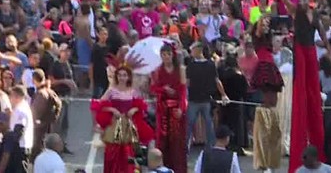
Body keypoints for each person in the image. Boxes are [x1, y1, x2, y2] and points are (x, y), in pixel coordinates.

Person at [282, 0, 326, 173]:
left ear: (309, 0)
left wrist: (329, 46)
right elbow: (287, 3)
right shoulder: (296, 12)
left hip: (310, 50)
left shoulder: (314, 14)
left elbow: (322, 31)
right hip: (300, 49)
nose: (300, 1)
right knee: (302, 83)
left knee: (313, 83)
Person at [91, 63, 154, 173]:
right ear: (116, 76)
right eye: (120, 75)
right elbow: (99, 105)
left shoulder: (133, 91)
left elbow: (141, 106)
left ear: (128, 77)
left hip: (128, 125)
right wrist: (112, 110)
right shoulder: (111, 90)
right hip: (114, 125)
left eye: (124, 75)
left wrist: (134, 110)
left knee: (128, 151)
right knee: (112, 151)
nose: (122, 78)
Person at [249, 16, 285, 171]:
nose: (266, 26)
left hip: (270, 64)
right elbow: (259, 28)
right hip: (264, 65)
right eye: (263, 24)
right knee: (268, 101)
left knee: (274, 101)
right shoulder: (257, 37)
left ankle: (271, 154)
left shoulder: (268, 37)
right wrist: (263, 19)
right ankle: (265, 156)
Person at [150, 44, 188, 173]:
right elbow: (153, 88)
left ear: (173, 55)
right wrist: (163, 89)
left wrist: (181, 109)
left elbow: (183, 91)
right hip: (163, 109)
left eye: (168, 54)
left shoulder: (180, 69)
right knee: (163, 140)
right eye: (164, 55)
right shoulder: (157, 70)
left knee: (177, 142)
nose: (166, 57)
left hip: (176, 109)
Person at [185, 42, 228, 150]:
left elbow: (216, 80)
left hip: (204, 99)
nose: (191, 52)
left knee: (208, 125)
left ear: (199, 50)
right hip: (194, 99)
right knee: (191, 124)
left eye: (193, 49)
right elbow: (187, 83)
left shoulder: (208, 65)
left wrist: (223, 94)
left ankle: (212, 147)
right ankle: (185, 147)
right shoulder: (192, 65)